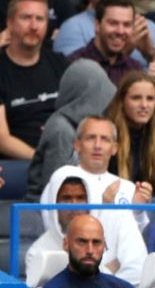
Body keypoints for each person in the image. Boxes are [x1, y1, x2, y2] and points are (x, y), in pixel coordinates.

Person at [26, 59, 116, 201]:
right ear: (87, 96)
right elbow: (56, 190)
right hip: (44, 212)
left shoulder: (76, 125)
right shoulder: (61, 130)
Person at [0, 0, 67, 159]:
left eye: (40, 19)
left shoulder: (60, 63)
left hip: (62, 153)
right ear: (9, 23)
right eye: (26, 18)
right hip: (19, 161)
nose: (33, 26)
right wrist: (41, 159)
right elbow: (2, 139)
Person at [68, 0, 155, 86]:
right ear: (97, 25)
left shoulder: (134, 68)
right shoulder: (75, 64)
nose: (120, 31)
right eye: (113, 23)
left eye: (127, 25)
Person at [106, 71, 155, 195]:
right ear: (121, 101)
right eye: (136, 98)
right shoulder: (107, 134)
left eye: (150, 99)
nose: (144, 105)